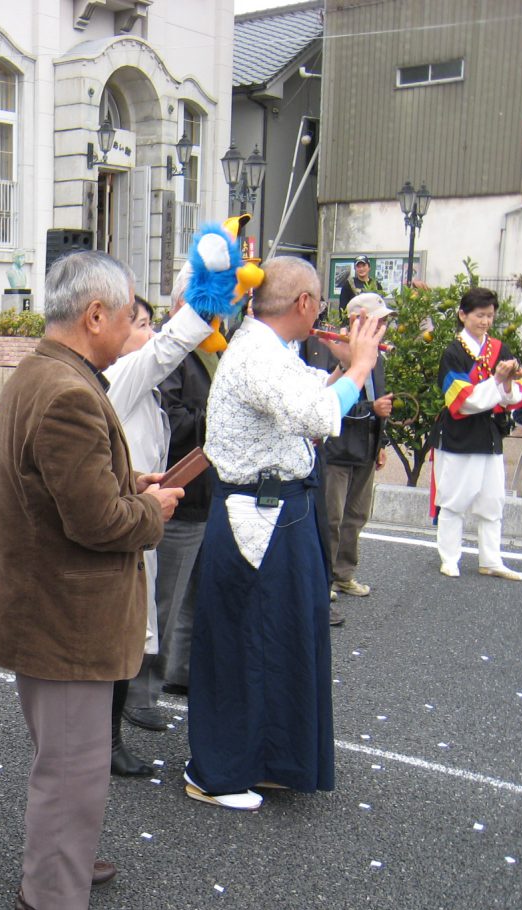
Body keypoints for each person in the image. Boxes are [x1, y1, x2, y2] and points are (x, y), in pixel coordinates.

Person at [0, 250, 184, 910]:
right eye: (129, 315)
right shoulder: (68, 390)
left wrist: (130, 478)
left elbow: (63, 481)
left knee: (68, 757)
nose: (133, 328)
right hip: (65, 616)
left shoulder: (41, 374)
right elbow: (97, 521)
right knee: (71, 765)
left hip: (46, 609)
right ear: (94, 315)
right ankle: (48, 896)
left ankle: (63, 860)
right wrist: (151, 507)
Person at [185, 256, 383, 811]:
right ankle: (216, 771)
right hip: (257, 517)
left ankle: (267, 758)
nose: (322, 310)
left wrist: (346, 367)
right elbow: (320, 415)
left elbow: (311, 398)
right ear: (303, 303)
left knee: (279, 642)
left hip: (277, 513)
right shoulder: (257, 354)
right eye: (318, 299)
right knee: (245, 644)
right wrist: (361, 369)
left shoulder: (271, 348)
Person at [103, 290, 219, 770]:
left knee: (129, 625)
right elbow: (169, 347)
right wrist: (204, 295)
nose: (150, 334)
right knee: (119, 628)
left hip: (140, 510)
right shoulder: (123, 375)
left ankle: (107, 737)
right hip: (125, 518)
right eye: (140, 324)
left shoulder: (138, 385)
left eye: (151, 323)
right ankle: (105, 741)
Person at [152, 284, 221, 702]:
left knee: (195, 594)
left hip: (205, 492)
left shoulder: (212, 349)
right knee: (164, 600)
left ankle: (181, 671)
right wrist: (217, 416)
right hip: (176, 491)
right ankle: (143, 694)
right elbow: (170, 421)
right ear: (181, 307)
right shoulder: (168, 353)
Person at [433, 286, 522, 581]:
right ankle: (449, 557)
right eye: (479, 315)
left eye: (489, 315)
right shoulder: (453, 352)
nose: (485, 321)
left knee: (492, 500)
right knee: (455, 499)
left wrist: (508, 383)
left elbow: (516, 396)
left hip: (490, 435)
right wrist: (497, 383)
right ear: (463, 315)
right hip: (459, 436)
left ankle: (491, 559)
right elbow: (463, 401)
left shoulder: (501, 349)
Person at [303, 292, 394, 599]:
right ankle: (324, 577)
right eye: (377, 320)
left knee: (356, 516)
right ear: (356, 319)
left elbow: (379, 397)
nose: (382, 326)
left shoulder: (377, 355)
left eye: (383, 321)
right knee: (331, 517)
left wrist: (380, 442)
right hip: (338, 449)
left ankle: (344, 574)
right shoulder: (332, 348)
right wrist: (372, 407)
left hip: (366, 447)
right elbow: (327, 402)